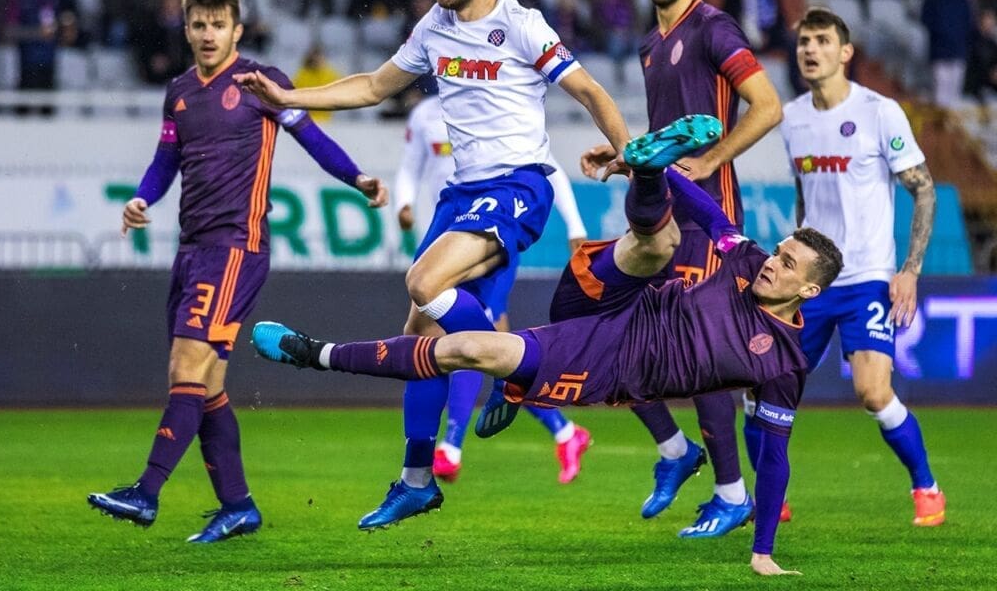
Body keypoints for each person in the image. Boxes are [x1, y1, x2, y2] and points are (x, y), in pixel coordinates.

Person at [253, 115, 842, 577]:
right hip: (616, 297)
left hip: (603, 359)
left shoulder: (784, 362)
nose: (773, 262)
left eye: (788, 263)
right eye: (779, 250)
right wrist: (628, 166)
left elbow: (776, 456)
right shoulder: (745, 259)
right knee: (656, 244)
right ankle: (645, 169)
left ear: (809, 290)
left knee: (471, 349)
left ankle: (316, 352)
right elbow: (710, 212)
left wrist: (763, 550)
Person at [236, 0, 630, 529]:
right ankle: (417, 480)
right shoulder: (433, 27)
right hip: (461, 192)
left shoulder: (522, 27)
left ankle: (516, 368)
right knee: (422, 340)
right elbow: (371, 86)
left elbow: (591, 92)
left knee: (423, 283)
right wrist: (290, 99)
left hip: (518, 185)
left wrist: (626, 153)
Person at [87, 0, 388, 543]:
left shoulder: (261, 83)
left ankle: (146, 492)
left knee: (186, 369)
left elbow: (313, 138)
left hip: (235, 247)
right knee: (207, 387)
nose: (207, 34)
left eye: (217, 24)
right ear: (186, 29)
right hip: (191, 248)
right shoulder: (178, 91)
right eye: (198, 24)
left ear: (237, 30)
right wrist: (140, 199)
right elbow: (164, 160)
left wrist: (358, 178)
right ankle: (238, 506)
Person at [596, 0, 782, 537]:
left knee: (698, 351)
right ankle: (678, 453)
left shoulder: (713, 28)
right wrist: (621, 158)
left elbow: (768, 103)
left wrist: (714, 158)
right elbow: (666, 139)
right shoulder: (653, 42)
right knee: (617, 332)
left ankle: (732, 495)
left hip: (708, 220)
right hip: (663, 215)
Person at [741, 7, 945, 527]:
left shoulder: (881, 112)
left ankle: (927, 487)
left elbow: (923, 191)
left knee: (873, 391)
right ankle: (770, 497)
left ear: (845, 52)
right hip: (810, 284)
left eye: (822, 41)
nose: (810, 50)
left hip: (867, 279)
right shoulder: (792, 119)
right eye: (804, 41)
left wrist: (910, 270)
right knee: (758, 385)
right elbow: (807, 204)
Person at [394, 84, 592, 484]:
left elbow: (545, 166)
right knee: (490, 349)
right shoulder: (426, 115)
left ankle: (450, 448)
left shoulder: (498, 108)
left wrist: (575, 224)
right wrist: (404, 203)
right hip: (445, 241)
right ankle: (566, 432)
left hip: (490, 237)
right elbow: (408, 169)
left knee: (467, 338)